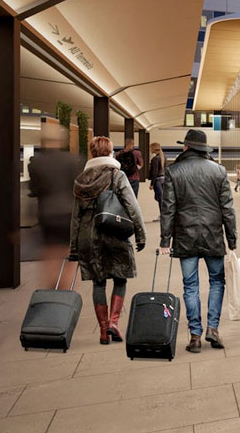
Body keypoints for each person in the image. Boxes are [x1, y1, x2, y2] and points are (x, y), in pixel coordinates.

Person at [160, 129, 237, 354]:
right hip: (213, 235)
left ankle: (195, 335)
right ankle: (212, 328)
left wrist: (165, 240)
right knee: (217, 282)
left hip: (185, 236)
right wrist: (231, 239)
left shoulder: (173, 171)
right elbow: (228, 209)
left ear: (187, 147)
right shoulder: (219, 171)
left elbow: (168, 209)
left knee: (190, 285)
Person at [70, 136, 147, 345]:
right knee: (120, 278)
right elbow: (132, 205)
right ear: (110, 152)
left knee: (98, 283)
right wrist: (140, 234)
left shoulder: (81, 179)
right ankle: (114, 323)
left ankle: (104, 331)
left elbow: (76, 216)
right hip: (114, 231)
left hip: (88, 236)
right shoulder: (116, 175)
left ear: (92, 153)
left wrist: (74, 247)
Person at [28, 122, 84, 288]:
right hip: (68, 214)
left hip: (47, 214)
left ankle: (52, 289)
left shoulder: (37, 162)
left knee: (51, 254)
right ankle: (66, 289)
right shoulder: (72, 160)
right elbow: (79, 189)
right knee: (69, 255)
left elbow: (34, 190)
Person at [147, 143, 166, 210]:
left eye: (150, 148)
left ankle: (162, 213)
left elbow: (154, 172)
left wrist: (152, 184)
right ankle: (163, 212)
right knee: (162, 198)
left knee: (159, 198)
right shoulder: (163, 157)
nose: (149, 149)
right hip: (163, 179)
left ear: (153, 149)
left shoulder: (155, 159)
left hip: (157, 180)